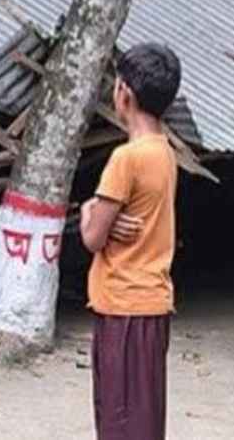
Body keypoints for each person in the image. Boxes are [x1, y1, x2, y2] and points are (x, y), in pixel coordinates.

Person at [79, 43, 182, 440]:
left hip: (124, 306)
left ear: (124, 92)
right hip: (150, 302)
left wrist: (90, 208)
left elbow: (91, 237)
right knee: (143, 420)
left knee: (121, 423)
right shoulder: (165, 152)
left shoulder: (127, 157)